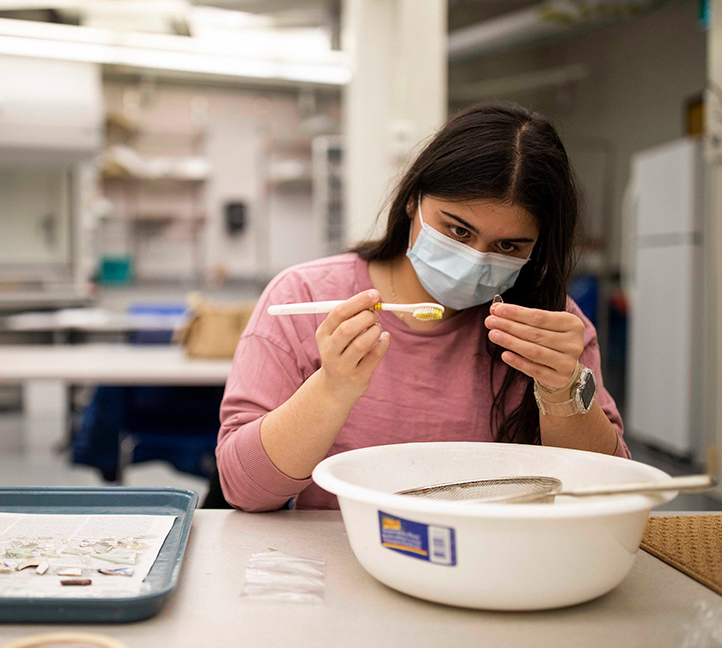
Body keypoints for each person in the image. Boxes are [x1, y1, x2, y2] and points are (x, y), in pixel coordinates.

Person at [217, 101, 629, 512]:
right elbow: (244, 490)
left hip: (494, 560)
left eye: (508, 246)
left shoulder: (551, 326)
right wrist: (330, 390)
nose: (475, 259)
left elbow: (608, 493)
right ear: (413, 199)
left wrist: (563, 391)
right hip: (343, 559)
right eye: (457, 229)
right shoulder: (304, 296)